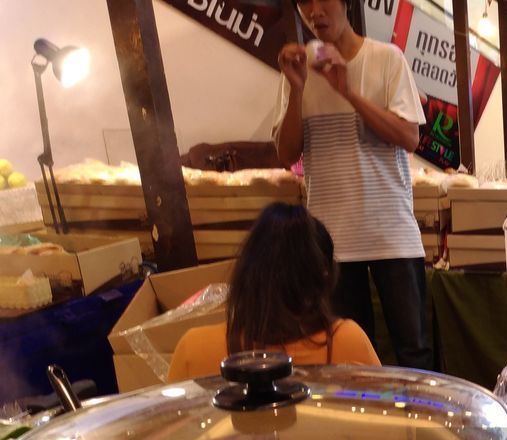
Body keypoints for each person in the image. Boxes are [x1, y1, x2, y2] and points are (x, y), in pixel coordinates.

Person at [273, 0, 435, 370]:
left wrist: (349, 93)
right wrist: (297, 90)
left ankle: (425, 428)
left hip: (391, 233)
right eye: (304, 3)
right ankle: (364, 429)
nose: (314, 11)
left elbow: (409, 137)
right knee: (349, 359)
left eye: (322, 0)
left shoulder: (387, 59)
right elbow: (286, 153)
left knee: (415, 354)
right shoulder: (297, 71)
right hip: (332, 241)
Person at [168, 204, 380, 382]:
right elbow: (381, 421)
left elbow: (173, 428)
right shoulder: (349, 341)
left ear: (246, 272)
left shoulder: (194, 348)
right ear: (324, 275)